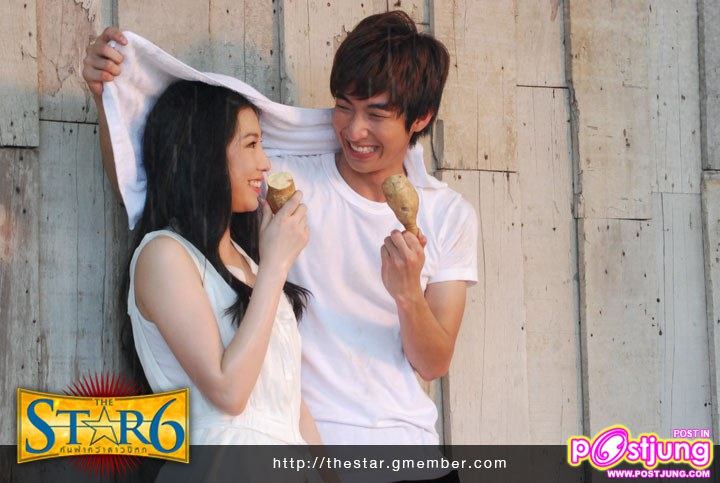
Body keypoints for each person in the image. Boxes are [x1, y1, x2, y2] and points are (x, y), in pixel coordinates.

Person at [83, 11, 477, 452]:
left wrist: (407, 294)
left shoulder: (448, 214)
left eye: (375, 114)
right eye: (343, 107)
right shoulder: (283, 183)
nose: (354, 130)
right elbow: (159, 183)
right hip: (298, 440)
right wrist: (110, 96)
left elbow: (433, 363)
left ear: (421, 118)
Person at [121, 78, 322, 446]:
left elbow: (290, 408)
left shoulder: (252, 266)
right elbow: (228, 392)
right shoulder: (163, 255)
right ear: (205, 154)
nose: (265, 163)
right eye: (251, 144)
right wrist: (276, 265)